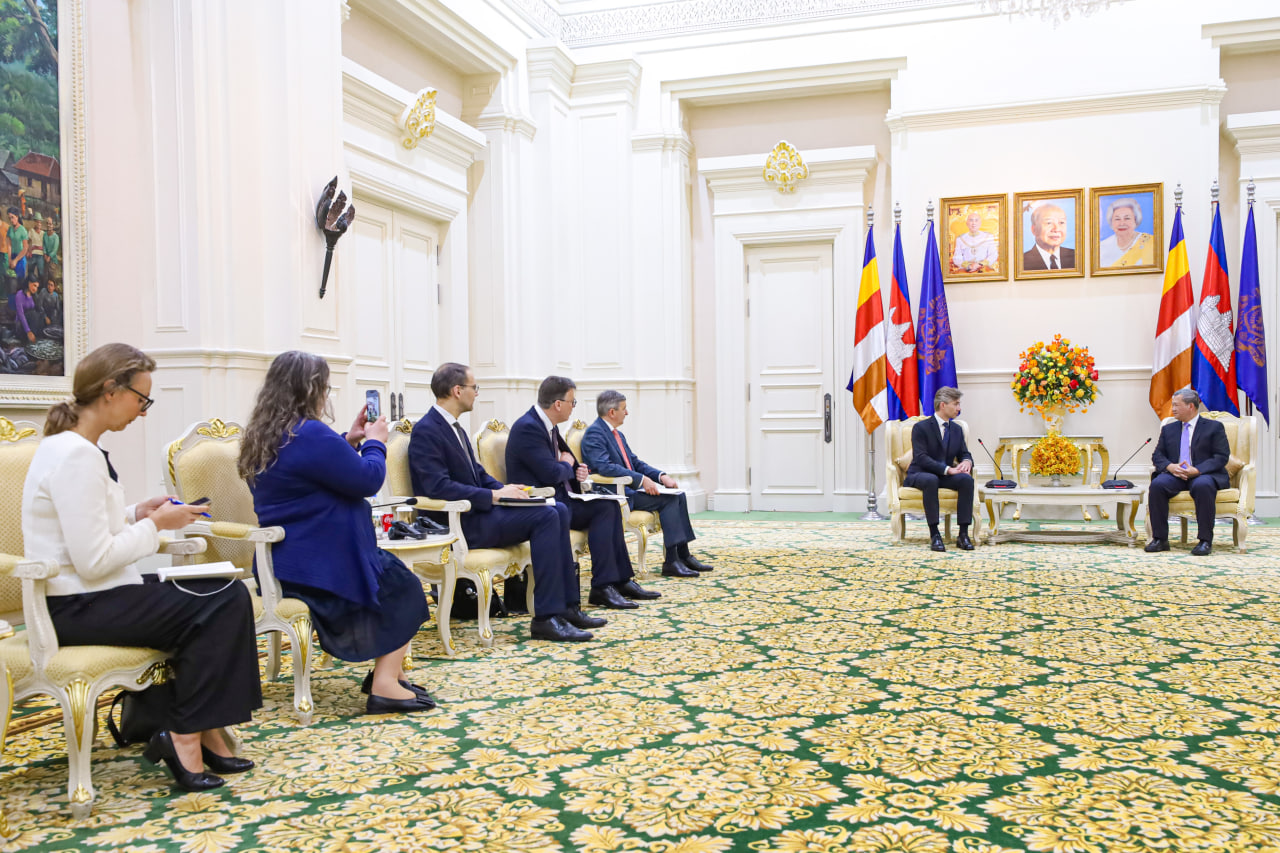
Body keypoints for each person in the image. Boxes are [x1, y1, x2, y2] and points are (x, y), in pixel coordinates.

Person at [22, 343, 260, 792]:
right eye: (141, 399)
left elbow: (83, 529)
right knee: (224, 601)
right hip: (79, 604)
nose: (144, 411)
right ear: (110, 390)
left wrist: (136, 513)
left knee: (222, 589)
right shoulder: (76, 455)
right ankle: (185, 736)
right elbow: (93, 561)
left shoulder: (68, 446)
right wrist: (156, 525)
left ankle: (204, 729)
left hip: (87, 596)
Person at [239, 351, 433, 714]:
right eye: (325, 388)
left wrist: (350, 440)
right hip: (317, 564)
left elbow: (310, 474)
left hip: (286, 560)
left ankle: (390, 675)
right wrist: (376, 442)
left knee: (392, 577)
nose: (326, 395)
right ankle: (385, 684)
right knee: (403, 587)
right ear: (311, 389)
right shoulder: (310, 432)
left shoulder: (266, 434)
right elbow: (368, 479)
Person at [408, 363, 602, 642]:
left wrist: (504, 489)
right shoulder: (427, 430)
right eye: (474, 387)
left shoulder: (455, 428)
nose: (477, 393)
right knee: (548, 516)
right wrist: (493, 496)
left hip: (477, 514)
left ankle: (567, 608)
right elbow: (437, 487)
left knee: (557, 509)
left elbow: (478, 475)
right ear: (457, 390)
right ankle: (546, 618)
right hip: (458, 524)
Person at [506, 377, 659, 610]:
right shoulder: (528, 427)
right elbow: (551, 472)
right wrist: (567, 465)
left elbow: (563, 465)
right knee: (604, 509)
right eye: (572, 402)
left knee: (609, 505)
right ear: (558, 404)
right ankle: (602, 587)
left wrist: (577, 471)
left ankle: (619, 581)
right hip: (542, 504)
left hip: (560, 499)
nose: (573, 407)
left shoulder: (548, 426)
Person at [580, 389, 714, 578]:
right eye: (624, 409)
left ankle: (683, 556)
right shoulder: (595, 434)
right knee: (669, 501)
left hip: (629, 489)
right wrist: (641, 480)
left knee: (678, 495)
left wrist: (660, 476)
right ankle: (671, 562)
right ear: (612, 412)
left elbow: (635, 463)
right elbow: (605, 467)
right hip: (615, 493)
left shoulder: (617, 434)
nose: (627, 413)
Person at [1145, 387, 1230, 556]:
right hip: (1176, 475)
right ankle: (1160, 539)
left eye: (1176, 405)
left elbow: (1221, 457)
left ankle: (1205, 541)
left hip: (1203, 474)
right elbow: (1158, 455)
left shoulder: (1214, 427)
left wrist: (1197, 470)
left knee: (1202, 486)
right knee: (1157, 485)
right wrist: (1170, 467)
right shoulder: (1169, 429)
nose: (1173, 409)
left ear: (1191, 406)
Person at [903, 386, 975, 552]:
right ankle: (935, 534)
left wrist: (967, 461)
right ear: (943, 405)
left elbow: (964, 453)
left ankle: (963, 534)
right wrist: (948, 469)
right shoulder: (921, 428)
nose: (959, 408)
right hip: (920, 473)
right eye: (956, 404)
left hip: (943, 475)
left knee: (966, 480)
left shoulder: (956, 429)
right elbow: (921, 458)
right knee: (931, 479)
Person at [1098, 198, 1155, 269]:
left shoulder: (1151, 243)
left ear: (1136, 220)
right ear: (1111, 222)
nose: (1122, 223)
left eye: (1127, 218)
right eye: (1117, 219)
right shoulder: (1101, 247)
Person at [1021, 203, 1075, 271]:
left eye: (1061, 223)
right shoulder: (1021, 263)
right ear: (1034, 230)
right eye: (1049, 223)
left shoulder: (1076, 257)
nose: (1056, 229)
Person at [6, 208, 29, 284]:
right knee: (11, 281)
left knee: (20, 282)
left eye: (12, 217)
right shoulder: (10, 229)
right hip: (12, 256)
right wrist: (9, 259)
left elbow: (25, 248)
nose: (11, 220)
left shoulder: (23, 230)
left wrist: (15, 260)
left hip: (20, 258)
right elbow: (9, 245)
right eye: (9, 218)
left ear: (17, 216)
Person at [14, 277, 40, 341]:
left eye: (37, 287)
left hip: (31, 324)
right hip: (21, 324)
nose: (35, 289)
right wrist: (28, 331)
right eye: (34, 285)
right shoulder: (19, 294)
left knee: (35, 314)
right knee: (32, 313)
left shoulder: (34, 295)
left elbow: (39, 309)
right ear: (29, 283)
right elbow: (21, 314)